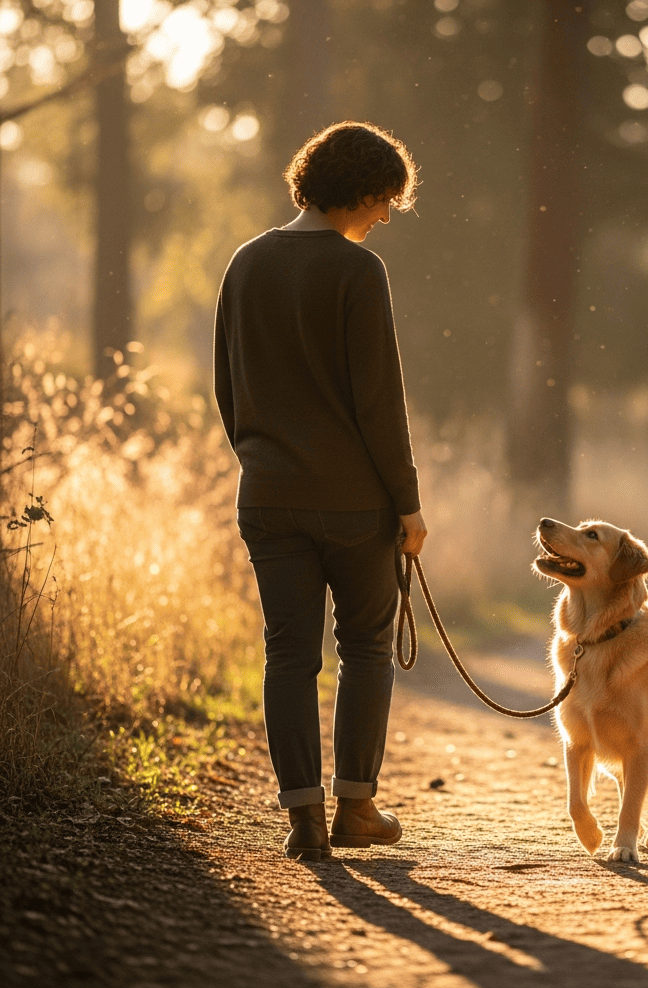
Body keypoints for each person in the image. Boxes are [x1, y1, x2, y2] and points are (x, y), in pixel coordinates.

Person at [214, 121, 427, 860]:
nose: (387, 216)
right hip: (355, 503)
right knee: (365, 647)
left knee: (288, 654)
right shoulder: (357, 273)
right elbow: (379, 403)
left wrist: (262, 457)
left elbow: (226, 387)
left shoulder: (245, 263)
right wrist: (408, 504)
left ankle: (303, 819)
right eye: (385, 200)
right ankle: (357, 809)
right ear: (361, 192)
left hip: (267, 496)